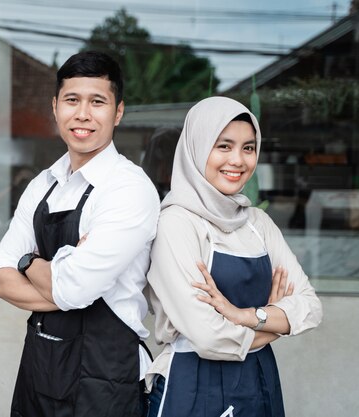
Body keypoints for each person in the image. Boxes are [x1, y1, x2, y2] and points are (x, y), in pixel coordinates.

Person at [0, 51, 160, 417]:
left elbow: (76, 287)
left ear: (118, 112)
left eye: (97, 102)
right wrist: (59, 278)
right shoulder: (44, 183)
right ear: (55, 107)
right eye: (72, 100)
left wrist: (28, 260)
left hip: (105, 379)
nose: (83, 114)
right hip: (40, 369)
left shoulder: (128, 188)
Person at [144, 96, 323, 417]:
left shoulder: (259, 223)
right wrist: (276, 324)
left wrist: (246, 316)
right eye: (223, 146)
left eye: (249, 148)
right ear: (197, 148)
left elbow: (310, 307)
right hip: (193, 382)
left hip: (260, 378)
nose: (238, 160)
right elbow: (208, 337)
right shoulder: (176, 223)